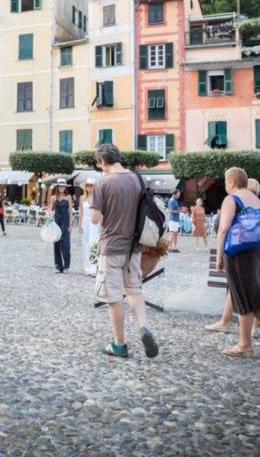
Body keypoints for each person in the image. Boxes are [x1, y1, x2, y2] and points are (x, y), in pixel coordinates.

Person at [92, 144, 158, 359]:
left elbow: (95, 218)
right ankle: (143, 327)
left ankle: (119, 344)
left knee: (113, 297)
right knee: (134, 290)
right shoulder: (137, 179)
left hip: (111, 247)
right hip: (134, 246)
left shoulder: (103, 182)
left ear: (102, 162)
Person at [214, 167, 260, 358]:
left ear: (232, 182)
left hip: (241, 251)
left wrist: (219, 256)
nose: (226, 186)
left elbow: (223, 229)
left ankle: (245, 345)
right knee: (252, 292)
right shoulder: (256, 200)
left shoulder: (232, 199)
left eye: (226, 182)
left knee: (242, 295)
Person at [50, 180, 73, 273]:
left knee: (65, 245)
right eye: (60, 186)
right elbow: (51, 210)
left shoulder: (68, 197)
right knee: (56, 244)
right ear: (57, 187)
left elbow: (71, 212)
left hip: (65, 221)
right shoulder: (53, 198)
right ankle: (58, 266)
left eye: (63, 186)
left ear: (65, 187)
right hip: (56, 222)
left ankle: (66, 265)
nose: (61, 188)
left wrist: (70, 224)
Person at [78, 178, 99, 277]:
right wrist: (79, 225)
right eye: (88, 185)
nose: (90, 187)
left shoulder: (97, 198)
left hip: (94, 222)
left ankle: (93, 268)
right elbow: (81, 212)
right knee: (85, 244)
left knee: (93, 243)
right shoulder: (82, 198)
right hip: (85, 222)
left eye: (91, 185)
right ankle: (86, 267)